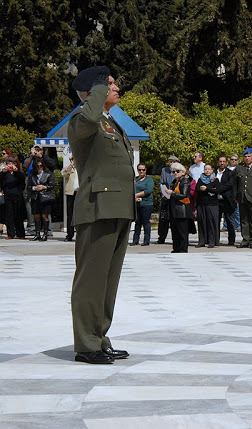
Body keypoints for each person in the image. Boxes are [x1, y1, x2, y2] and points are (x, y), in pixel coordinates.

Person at [69, 65, 134, 364]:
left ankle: (99, 337)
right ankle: (85, 344)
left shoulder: (111, 123)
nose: (116, 86)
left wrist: (100, 86)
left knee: (108, 282)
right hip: (97, 208)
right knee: (91, 280)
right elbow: (88, 117)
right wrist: (95, 88)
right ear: (92, 92)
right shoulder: (83, 120)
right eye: (108, 84)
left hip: (119, 208)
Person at [23, 145, 55, 236]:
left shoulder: (45, 159)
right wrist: (32, 156)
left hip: (45, 190)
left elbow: (51, 165)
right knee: (33, 210)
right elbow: (26, 165)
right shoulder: (31, 160)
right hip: (33, 184)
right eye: (35, 149)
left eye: (39, 149)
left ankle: (47, 230)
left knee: (45, 212)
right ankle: (34, 229)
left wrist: (41, 156)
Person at [166, 162, 192, 253]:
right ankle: (176, 248)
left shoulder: (185, 181)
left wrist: (172, 193)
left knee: (182, 232)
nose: (175, 173)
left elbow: (184, 195)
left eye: (177, 171)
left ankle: (183, 249)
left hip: (182, 210)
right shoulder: (174, 182)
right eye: (173, 171)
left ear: (182, 172)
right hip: (174, 210)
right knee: (175, 231)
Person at [28, 159, 55, 241]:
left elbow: (51, 186)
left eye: (40, 166)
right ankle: (37, 233)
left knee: (44, 216)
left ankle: (45, 233)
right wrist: (34, 188)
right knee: (36, 216)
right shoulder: (32, 175)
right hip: (35, 197)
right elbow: (28, 186)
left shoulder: (48, 174)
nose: (39, 168)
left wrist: (44, 187)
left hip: (45, 197)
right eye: (37, 166)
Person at [0, 157, 26, 239]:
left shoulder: (18, 173)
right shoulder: (4, 174)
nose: (10, 166)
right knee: (9, 215)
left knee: (18, 215)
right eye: (9, 164)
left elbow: (22, 182)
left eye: (12, 164)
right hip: (8, 196)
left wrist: (16, 171)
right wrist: (2, 172)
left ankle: (21, 233)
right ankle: (10, 234)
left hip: (17, 196)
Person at [212, 155, 236, 246]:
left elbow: (229, 185)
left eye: (224, 162)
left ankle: (231, 240)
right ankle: (215, 240)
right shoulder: (213, 172)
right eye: (220, 161)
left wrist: (217, 189)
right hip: (216, 200)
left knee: (230, 221)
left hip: (227, 200)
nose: (222, 163)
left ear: (226, 162)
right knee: (215, 221)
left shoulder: (231, 173)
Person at [156, 155, 179, 244]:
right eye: (170, 161)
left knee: (174, 218)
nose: (171, 163)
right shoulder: (164, 170)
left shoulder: (179, 171)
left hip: (174, 196)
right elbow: (162, 182)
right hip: (165, 196)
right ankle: (161, 237)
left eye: (173, 161)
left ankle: (175, 238)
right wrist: (164, 193)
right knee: (163, 218)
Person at [195, 164, 218, 248]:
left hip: (211, 204)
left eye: (209, 169)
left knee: (210, 222)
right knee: (201, 222)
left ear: (212, 170)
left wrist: (207, 189)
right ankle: (202, 241)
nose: (207, 171)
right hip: (201, 203)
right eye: (205, 169)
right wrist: (205, 189)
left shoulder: (215, 180)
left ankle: (211, 241)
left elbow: (217, 189)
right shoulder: (200, 179)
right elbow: (197, 188)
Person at [131, 163, 154, 246]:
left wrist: (137, 195)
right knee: (137, 222)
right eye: (140, 169)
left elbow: (148, 190)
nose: (141, 171)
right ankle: (135, 240)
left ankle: (146, 240)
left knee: (146, 222)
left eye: (143, 169)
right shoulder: (135, 179)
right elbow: (132, 189)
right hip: (137, 204)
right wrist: (134, 197)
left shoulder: (149, 180)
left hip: (146, 203)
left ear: (145, 170)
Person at [61, 156, 79, 242]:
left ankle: (80, 234)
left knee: (80, 214)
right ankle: (69, 234)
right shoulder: (69, 167)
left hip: (80, 193)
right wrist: (71, 164)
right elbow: (64, 174)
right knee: (70, 214)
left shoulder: (82, 167)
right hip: (71, 193)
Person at [224, 154, 241, 232]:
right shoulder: (226, 169)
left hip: (236, 192)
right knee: (227, 211)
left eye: (235, 160)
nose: (233, 161)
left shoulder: (240, 169)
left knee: (237, 211)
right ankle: (225, 226)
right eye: (232, 159)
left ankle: (238, 225)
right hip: (227, 192)